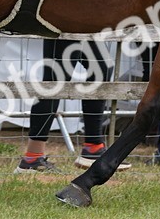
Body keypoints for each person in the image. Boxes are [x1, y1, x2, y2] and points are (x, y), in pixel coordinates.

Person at [14, 39, 131, 173]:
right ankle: (32, 158)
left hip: (85, 23)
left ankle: (93, 147)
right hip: (62, 22)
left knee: (101, 68)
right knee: (55, 80)